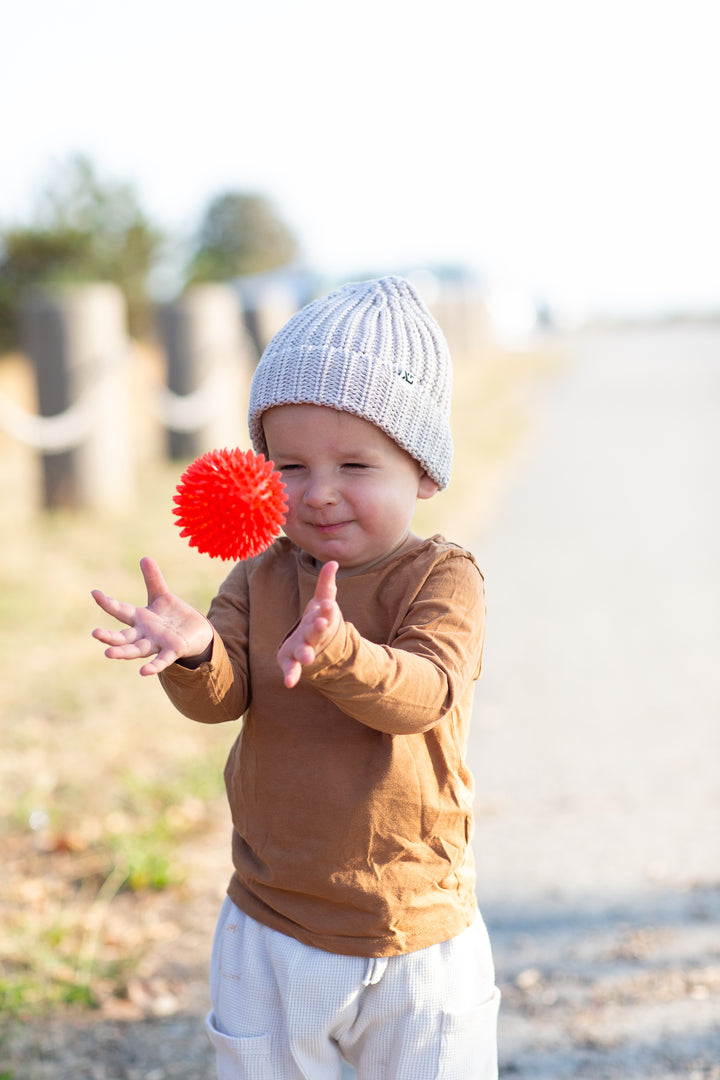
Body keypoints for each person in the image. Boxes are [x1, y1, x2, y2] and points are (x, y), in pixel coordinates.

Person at [92, 276, 500, 1079]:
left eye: (355, 463)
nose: (318, 493)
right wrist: (195, 652)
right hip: (273, 924)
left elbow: (423, 695)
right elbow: (225, 697)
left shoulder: (443, 580)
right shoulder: (259, 575)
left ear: (422, 469)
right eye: (289, 464)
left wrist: (342, 652)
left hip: (415, 928)